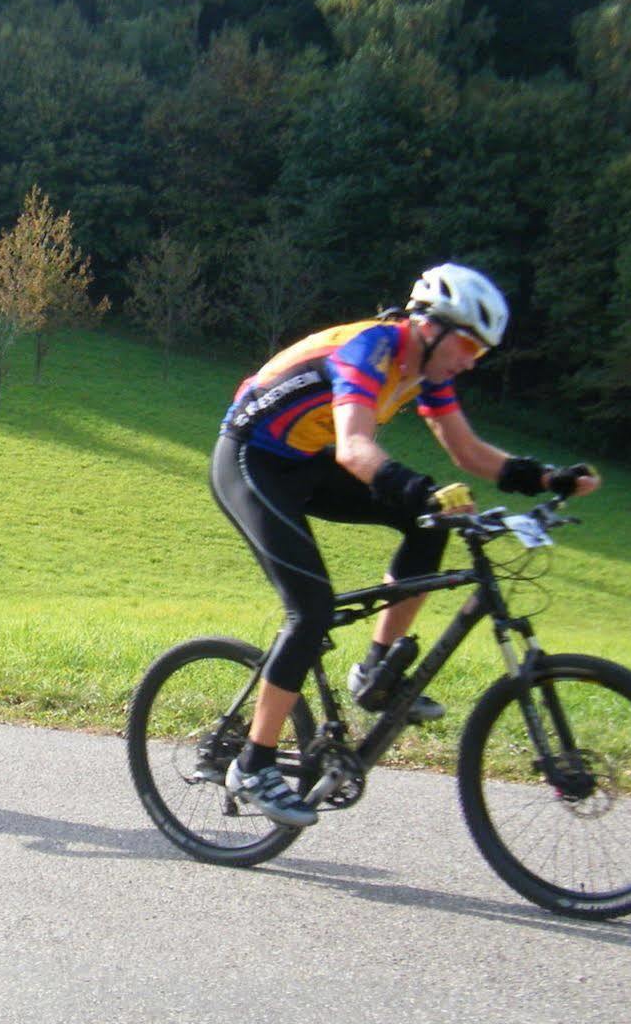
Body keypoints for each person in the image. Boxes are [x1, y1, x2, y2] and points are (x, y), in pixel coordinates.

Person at [211, 264, 599, 827]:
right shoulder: (369, 349)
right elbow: (354, 449)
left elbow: (467, 452)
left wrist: (545, 478)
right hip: (252, 459)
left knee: (426, 522)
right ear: (430, 327)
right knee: (312, 609)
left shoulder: (427, 371)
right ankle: (253, 762)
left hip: (304, 460)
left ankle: (374, 673)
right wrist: (422, 489)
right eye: (467, 343)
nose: (471, 360)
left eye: (481, 353)